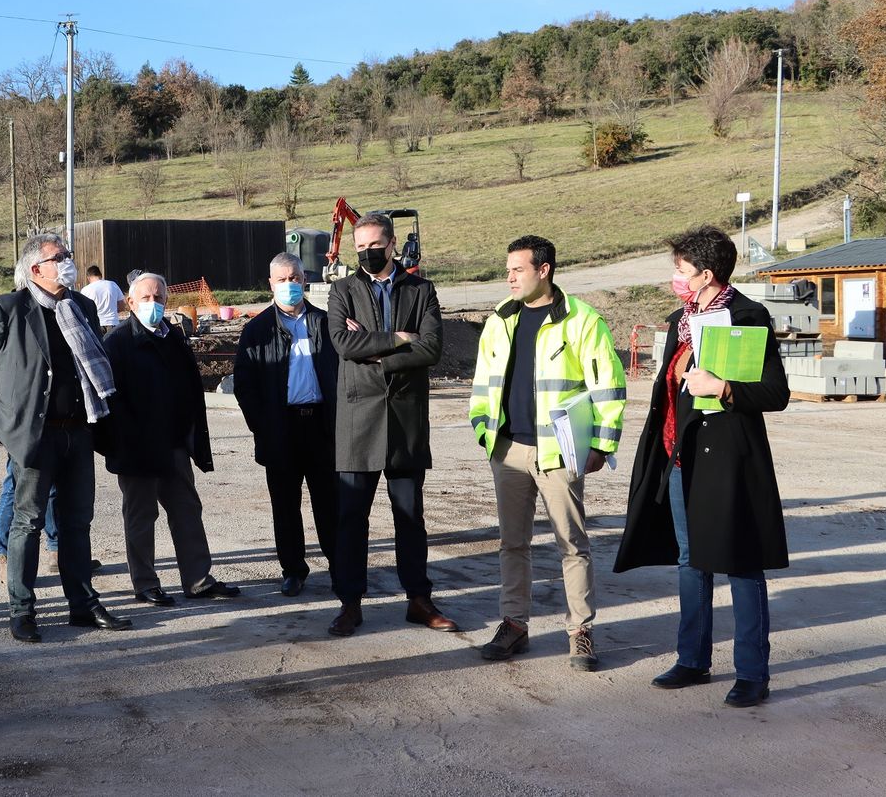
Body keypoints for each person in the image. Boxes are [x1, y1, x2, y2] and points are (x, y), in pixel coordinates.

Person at [614, 225, 790, 708]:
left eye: (681, 270)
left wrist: (725, 388)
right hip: (678, 457)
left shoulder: (748, 317)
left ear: (705, 274)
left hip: (728, 460)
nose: (675, 277)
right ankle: (692, 658)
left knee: (740, 562)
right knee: (690, 561)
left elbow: (776, 394)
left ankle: (753, 671)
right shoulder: (680, 321)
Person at [0, 233, 131, 643]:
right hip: (34, 436)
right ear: (36, 269)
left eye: (69, 256)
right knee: (28, 522)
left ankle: (83, 605)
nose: (69, 263)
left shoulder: (83, 307)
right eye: (61, 257)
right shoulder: (9, 307)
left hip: (79, 430)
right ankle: (22, 610)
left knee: (77, 523)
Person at [468, 235, 626, 671]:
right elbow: (482, 384)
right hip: (509, 449)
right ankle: (514, 624)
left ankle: (580, 632)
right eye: (508, 270)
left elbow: (608, 387)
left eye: (518, 269)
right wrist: (485, 431)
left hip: (559, 452)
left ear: (544, 270)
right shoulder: (500, 318)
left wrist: (601, 443)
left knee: (571, 544)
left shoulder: (582, 320)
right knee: (511, 543)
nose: (509, 278)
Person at [325, 213, 457, 637]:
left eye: (374, 244)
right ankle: (350, 603)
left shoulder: (421, 289)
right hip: (357, 421)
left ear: (393, 242)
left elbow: (433, 347)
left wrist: (378, 350)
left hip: (405, 421)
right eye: (360, 247)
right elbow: (344, 344)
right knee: (350, 519)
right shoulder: (342, 290)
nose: (367, 252)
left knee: (410, 516)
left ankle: (418, 599)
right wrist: (400, 339)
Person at [101, 273, 241, 606]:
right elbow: (110, 401)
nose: (154, 304)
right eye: (146, 299)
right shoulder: (117, 343)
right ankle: (145, 584)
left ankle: (198, 579)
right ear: (131, 303)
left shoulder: (173, 337)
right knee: (141, 515)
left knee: (187, 510)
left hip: (173, 444)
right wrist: (126, 440)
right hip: (137, 449)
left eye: (159, 298)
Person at [233, 252, 339, 597]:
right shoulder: (256, 330)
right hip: (280, 430)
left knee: (329, 503)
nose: (289, 285)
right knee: (285, 506)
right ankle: (293, 569)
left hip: (321, 427)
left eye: (294, 278)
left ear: (304, 280)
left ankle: (341, 567)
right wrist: (262, 427)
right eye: (282, 280)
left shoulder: (327, 323)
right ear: (270, 285)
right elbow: (245, 386)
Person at [80, 264, 125, 337]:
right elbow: (122, 306)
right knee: (113, 348)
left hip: (96, 325)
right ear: (100, 275)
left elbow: (83, 311)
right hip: (113, 322)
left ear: (88, 278)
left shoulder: (85, 290)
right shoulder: (113, 284)